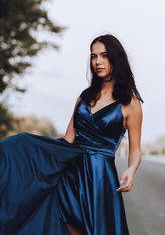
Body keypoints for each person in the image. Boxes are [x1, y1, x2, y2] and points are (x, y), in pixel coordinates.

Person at [0, 34, 143, 235]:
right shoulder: (84, 97)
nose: (98, 62)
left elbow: (136, 149)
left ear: (116, 59)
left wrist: (131, 169)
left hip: (100, 178)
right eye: (93, 56)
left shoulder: (131, 103)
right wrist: (34, 156)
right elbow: (68, 140)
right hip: (71, 173)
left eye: (104, 55)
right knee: (61, 221)